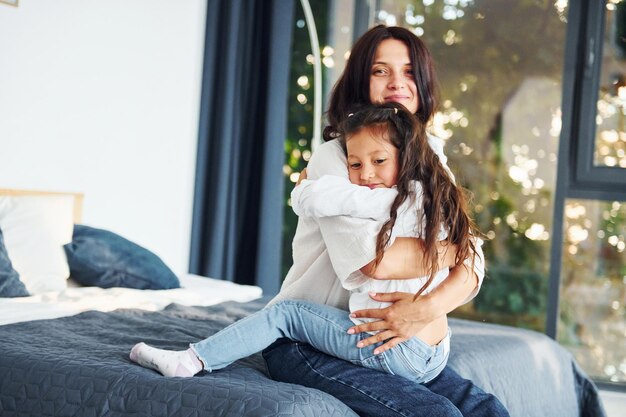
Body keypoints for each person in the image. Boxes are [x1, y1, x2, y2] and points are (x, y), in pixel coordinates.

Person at [129, 103, 476, 384]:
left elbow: (345, 208)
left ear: (408, 157)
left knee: (285, 314)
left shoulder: (405, 197)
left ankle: (191, 360)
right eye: (354, 164)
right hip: (432, 352)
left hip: (397, 346)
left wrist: (305, 191)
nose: (366, 174)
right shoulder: (436, 198)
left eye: (379, 161)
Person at [262, 25, 510, 417]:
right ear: (362, 81)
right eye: (381, 71)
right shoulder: (336, 157)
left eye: (409, 71)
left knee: (490, 411)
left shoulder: (430, 157)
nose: (398, 82)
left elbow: (474, 266)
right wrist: (455, 250)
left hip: (395, 340)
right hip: (311, 339)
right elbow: (374, 261)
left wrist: (425, 308)